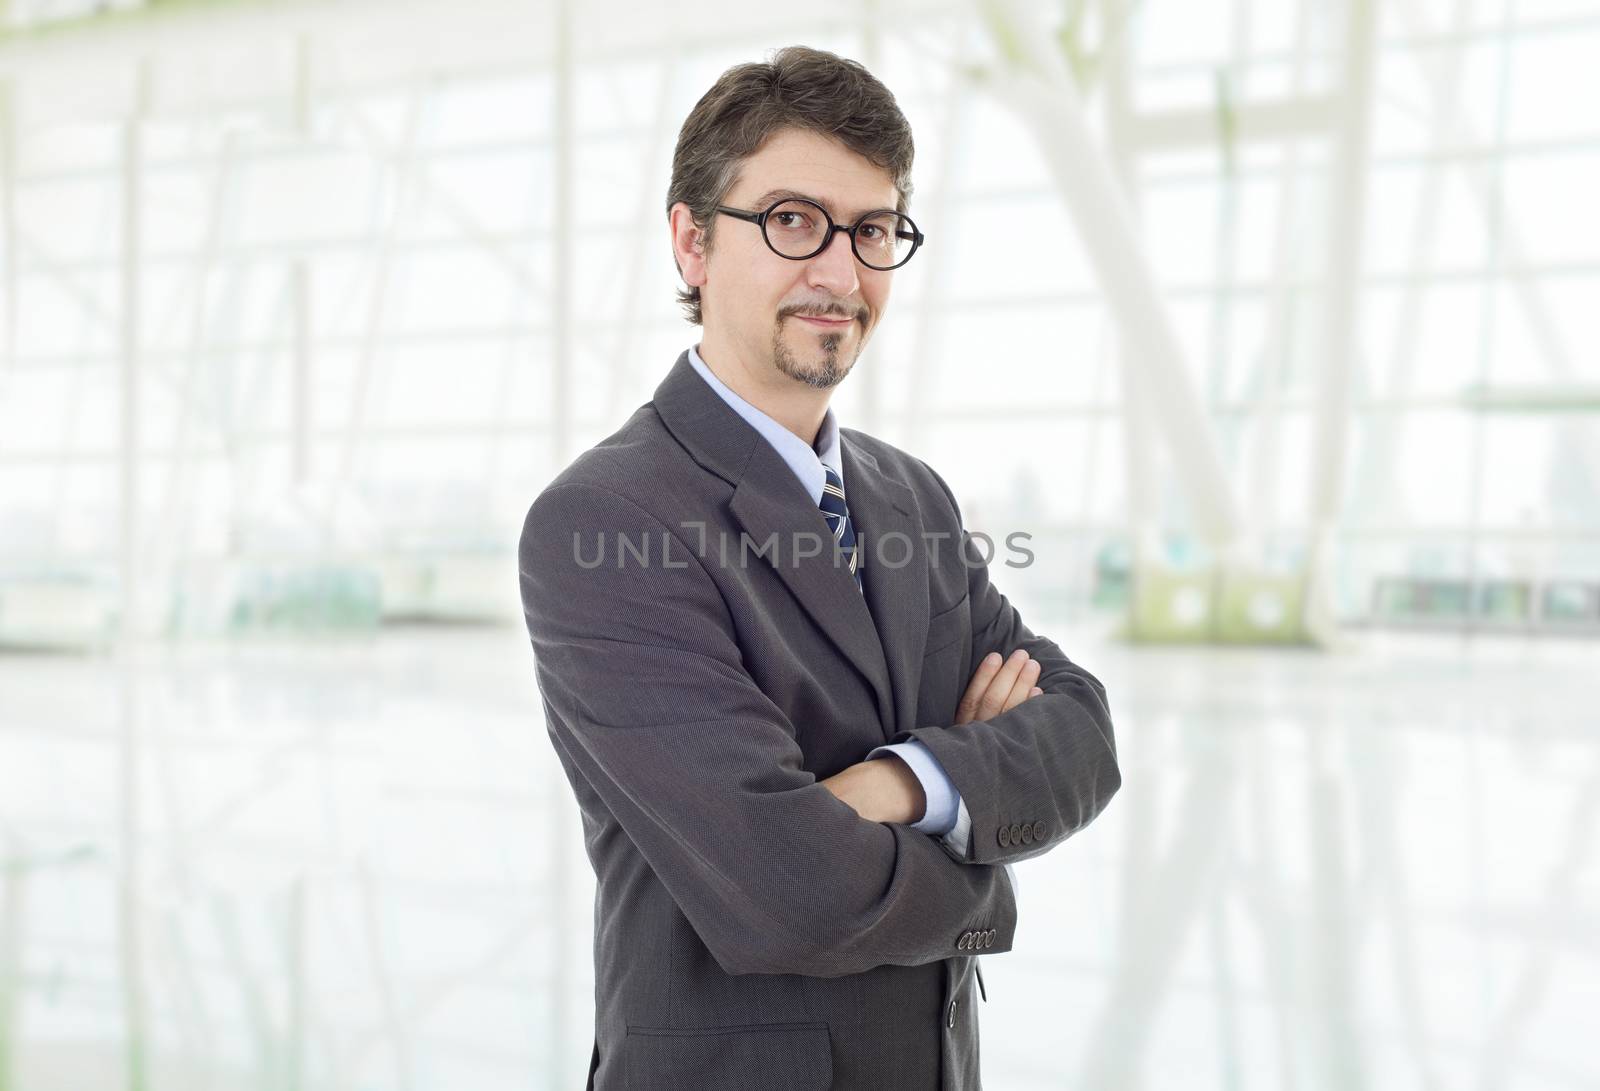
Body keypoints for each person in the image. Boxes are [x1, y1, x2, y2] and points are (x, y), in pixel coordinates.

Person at [518, 45, 1120, 1091]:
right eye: (793, 221)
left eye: (873, 230)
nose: (840, 272)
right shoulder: (604, 519)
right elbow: (782, 886)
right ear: (692, 242)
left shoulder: (911, 496)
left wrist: (891, 783)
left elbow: (1081, 730)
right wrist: (975, 827)